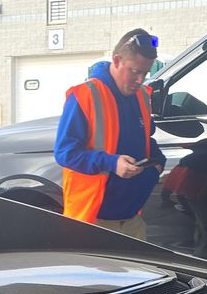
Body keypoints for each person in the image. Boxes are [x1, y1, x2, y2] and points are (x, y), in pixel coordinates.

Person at [54, 28, 164, 239]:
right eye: (134, 71)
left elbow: (146, 139)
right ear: (117, 60)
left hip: (132, 222)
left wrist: (157, 163)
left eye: (145, 73)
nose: (140, 80)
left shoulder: (141, 95)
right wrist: (112, 163)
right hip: (93, 222)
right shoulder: (85, 95)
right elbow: (64, 153)